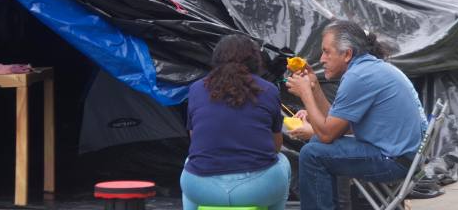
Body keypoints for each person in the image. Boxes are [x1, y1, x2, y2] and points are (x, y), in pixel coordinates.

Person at [286, 21, 426, 210]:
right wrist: (315, 87)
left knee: (312, 154)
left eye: (327, 52)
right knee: (316, 146)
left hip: (394, 160)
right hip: (404, 155)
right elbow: (335, 125)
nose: (322, 59)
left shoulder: (358, 76)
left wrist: (306, 94)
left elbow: (327, 134)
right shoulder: (366, 68)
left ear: (347, 54)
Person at [181, 35, 291, 210]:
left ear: (216, 59)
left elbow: (195, 140)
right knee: (283, 161)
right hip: (257, 189)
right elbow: (275, 147)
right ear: (256, 61)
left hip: (201, 189)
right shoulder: (269, 90)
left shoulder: (196, 89)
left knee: (189, 162)